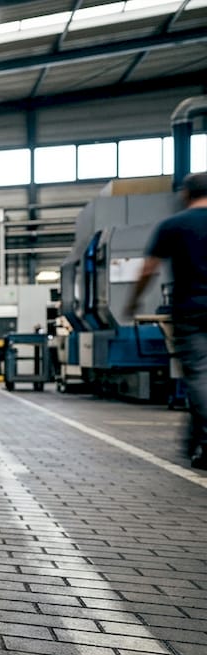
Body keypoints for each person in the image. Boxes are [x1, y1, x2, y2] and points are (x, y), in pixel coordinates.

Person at [126, 172, 207, 469]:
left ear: (185, 194)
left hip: (190, 311)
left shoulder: (174, 225)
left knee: (199, 375)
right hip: (191, 312)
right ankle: (196, 442)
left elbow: (148, 269)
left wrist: (134, 300)